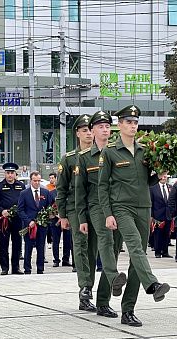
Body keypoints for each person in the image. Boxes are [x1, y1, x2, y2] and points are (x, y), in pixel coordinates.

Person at [98, 104, 171, 326]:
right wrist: (108, 214)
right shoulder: (110, 152)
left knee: (136, 261)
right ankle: (153, 285)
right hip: (121, 207)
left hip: (143, 207)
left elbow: (145, 181)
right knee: (135, 246)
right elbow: (102, 187)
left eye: (135, 122)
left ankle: (128, 310)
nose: (132, 125)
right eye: (128, 122)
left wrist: (158, 174)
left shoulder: (145, 151)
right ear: (119, 125)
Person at [76, 110, 128, 319]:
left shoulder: (119, 152)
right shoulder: (84, 158)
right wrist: (81, 218)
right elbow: (80, 191)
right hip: (96, 206)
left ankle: (103, 301)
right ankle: (114, 277)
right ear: (93, 131)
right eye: (100, 127)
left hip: (118, 206)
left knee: (113, 250)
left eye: (108, 126)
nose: (105, 130)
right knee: (105, 242)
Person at [57, 114, 95, 310]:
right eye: (84, 130)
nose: (89, 133)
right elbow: (61, 189)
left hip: (96, 206)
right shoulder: (70, 159)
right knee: (80, 247)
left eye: (90, 129)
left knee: (93, 249)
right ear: (77, 133)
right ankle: (85, 289)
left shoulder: (102, 155)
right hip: (74, 208)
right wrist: (62, 215)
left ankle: (89, 292)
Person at [0, 163, 25, 276]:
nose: (10, 175)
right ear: (5, 174)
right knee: (3, 244)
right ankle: (4, 268)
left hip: (17, 219)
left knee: (17, 244)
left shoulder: (21, 185)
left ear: (15, 174)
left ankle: (16, 267)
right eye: (8, 173)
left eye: (12, 173)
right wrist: (1, 210)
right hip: (4, 219)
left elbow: (24, 201)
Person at [17, 172, 52, 274]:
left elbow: (51, 206)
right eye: (35, 181)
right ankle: (27, 268)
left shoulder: (46, 192)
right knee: (28, 247)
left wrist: (49, 215)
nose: (37, 183)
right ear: (31, 181)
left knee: (41, 247)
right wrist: (28, 221)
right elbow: (20, 210)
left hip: (42, 225)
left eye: (39, 181)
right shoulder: (24, 193)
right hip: (29, 226)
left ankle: (40, 268)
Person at [150, 172, 173, 258]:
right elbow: (151, 202)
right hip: (157, 215)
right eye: (162, 176)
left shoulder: (170, 187)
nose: (164, 178)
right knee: (158, 234)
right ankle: (158, 252)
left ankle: (165, 252)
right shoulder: (153, 188)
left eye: (165, 176)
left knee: (167, 234)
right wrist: (152, 215)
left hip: (168, 214)